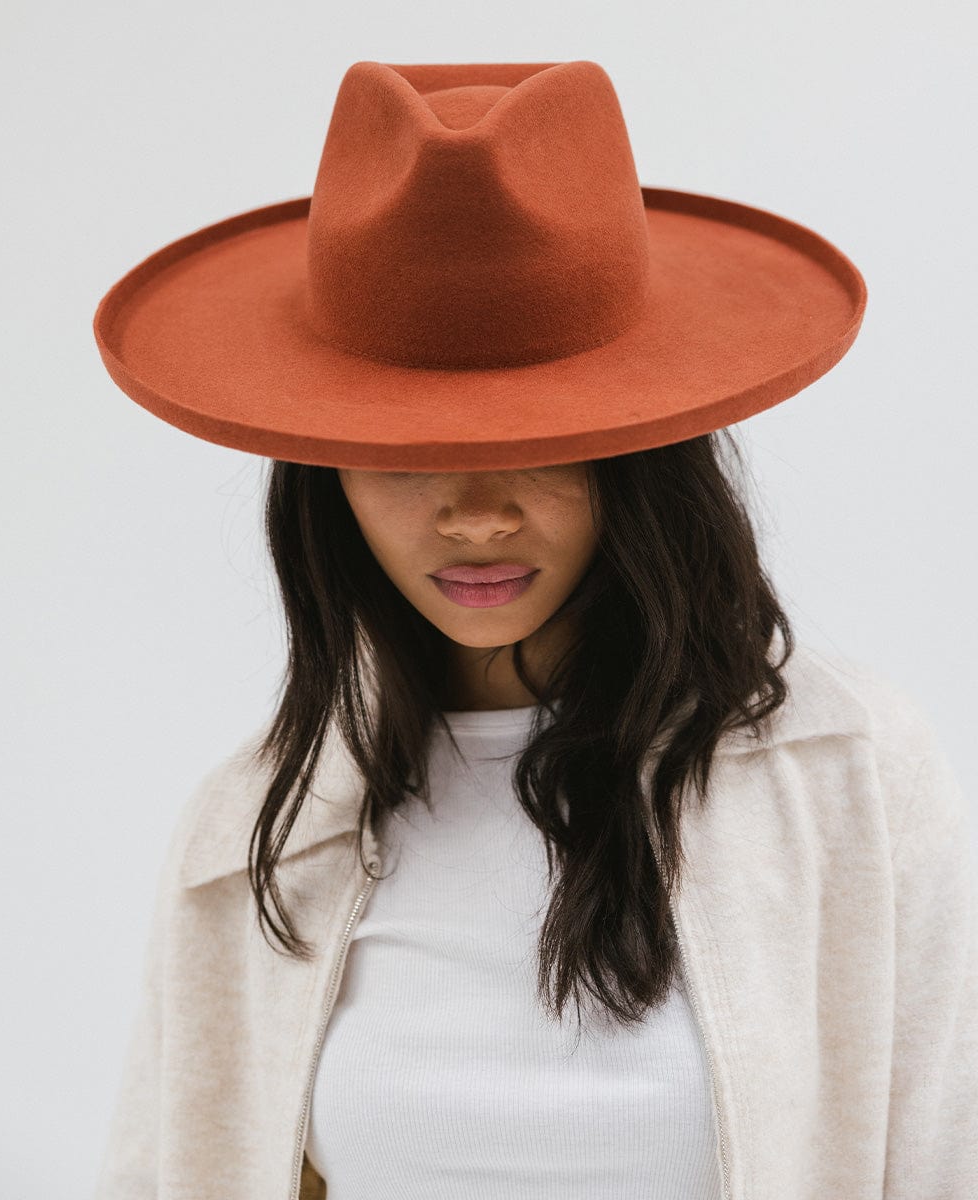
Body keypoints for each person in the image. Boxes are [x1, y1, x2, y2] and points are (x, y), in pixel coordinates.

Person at [90, 58, 977, 1200]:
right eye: (405, 451)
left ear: (643, 453)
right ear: (324, 473)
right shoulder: (255, 834)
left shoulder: (844, 775)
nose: (475, 513)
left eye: (542, 439)